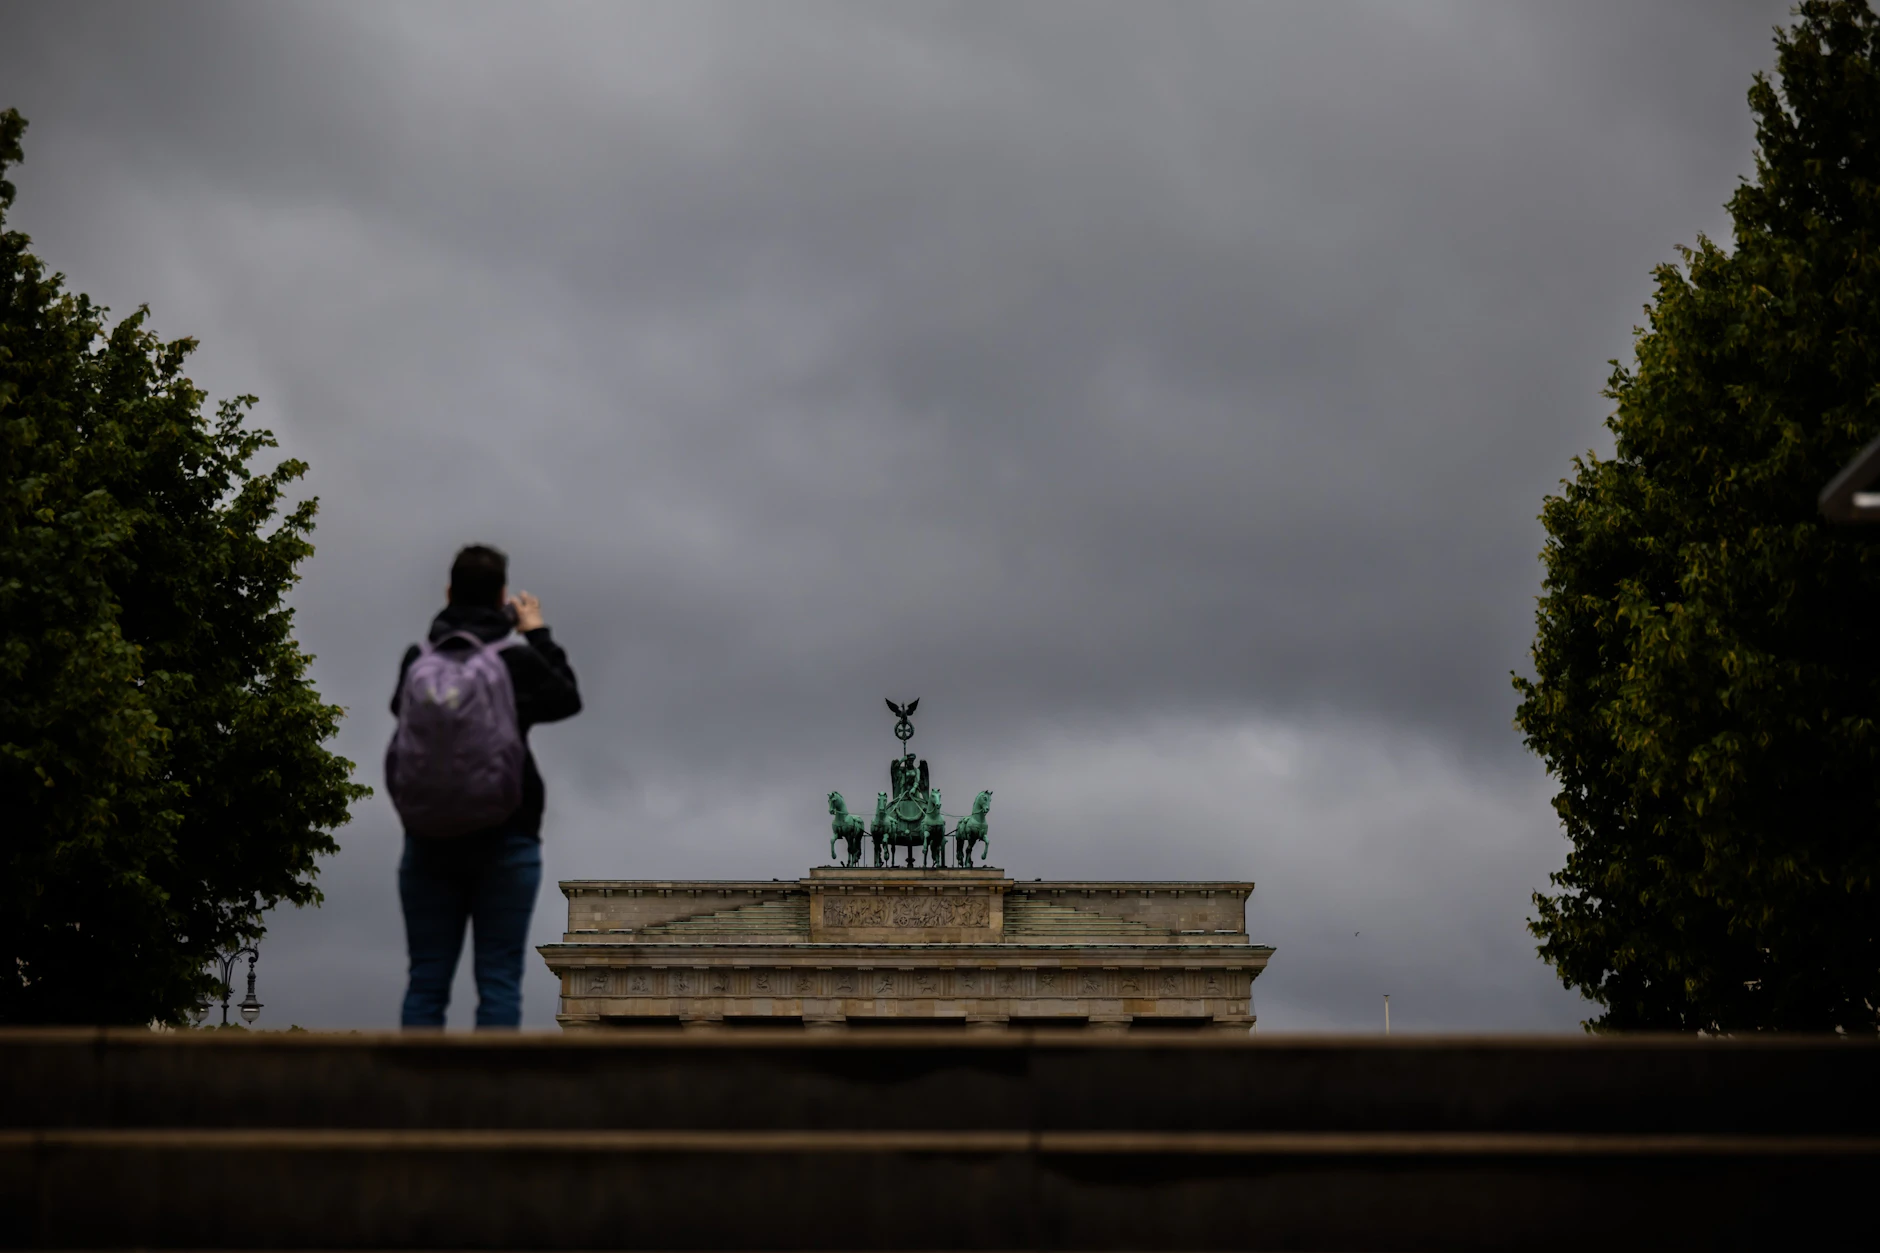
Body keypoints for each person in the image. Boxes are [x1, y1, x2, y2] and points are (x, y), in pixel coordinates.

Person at [388, 544, 581, 1028]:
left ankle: (412, 1101)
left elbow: (401, 713)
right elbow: (566, 697)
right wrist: (535, 630)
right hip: (507, 832)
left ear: (449, 592)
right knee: (498, 978)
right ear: (502, 598)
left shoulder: (418, 658)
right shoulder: (513, 661)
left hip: (428, 836)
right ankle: (491, 1102)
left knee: (426, 979)